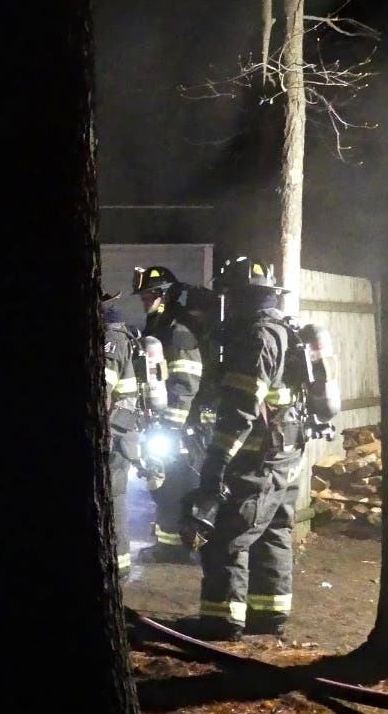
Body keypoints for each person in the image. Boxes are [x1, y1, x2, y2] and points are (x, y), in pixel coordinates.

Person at [181, 257, 305, 641]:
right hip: (286, 452)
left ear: (241, 297)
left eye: (229, 296)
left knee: (228, 534)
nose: (226, 304)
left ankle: (221, 621)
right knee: (274, 531)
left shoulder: (256, 338)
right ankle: (268, 615)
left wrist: (215, 464)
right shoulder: (283, 329)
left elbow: (240, 411)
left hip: (259, 456)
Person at [130, 265, 204, 564]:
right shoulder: (159, 325)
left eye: (151, 294)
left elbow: (186, 380)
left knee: (174, 483)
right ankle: (168, 543)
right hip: (161, 420)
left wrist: (171, 426)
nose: (146, 300)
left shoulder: (179, 330)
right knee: (162, 483)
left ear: (166, 294)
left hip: (178, 423)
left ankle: (174, 547)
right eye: (144, 296)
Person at [102, 291, 138, 576]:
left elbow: (100, 390)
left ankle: (117, 567)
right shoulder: (109, 335)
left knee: (112, 499)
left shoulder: (110, 339)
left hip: (112, 435)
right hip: (113, 432)